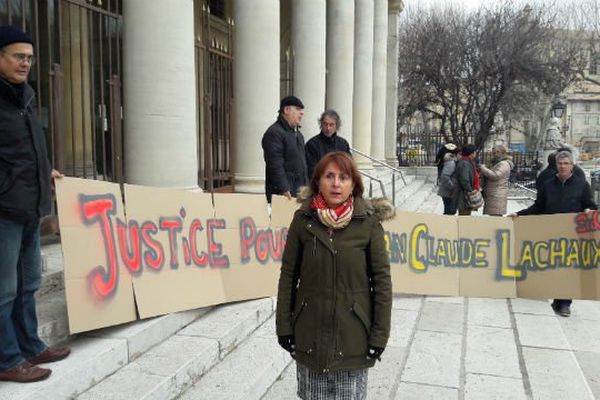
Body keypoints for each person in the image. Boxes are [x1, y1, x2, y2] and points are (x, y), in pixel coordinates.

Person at [276, 151, 393, 399]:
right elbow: (288, 275)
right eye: (329, 176)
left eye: (343, 177)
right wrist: (284, 326)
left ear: (354, 184)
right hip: (310, 335)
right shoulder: (303, 219)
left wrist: (379, 335)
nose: (336, 183)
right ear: (318, 181)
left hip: (353, 338)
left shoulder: (368, 223)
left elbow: (382, 282)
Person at [0, 25, 70, 383]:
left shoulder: (24, 96)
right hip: (5, 212)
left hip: (29, 208)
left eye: (29, 57)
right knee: (4, 289)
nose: (25, 63)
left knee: (28, 283)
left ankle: (30, 346)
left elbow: (24, 151)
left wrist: (46, 171)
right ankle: (7, 359)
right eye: (18, 56)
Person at [511, 150, 597, 317]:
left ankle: (564, 303)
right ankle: (554, 297)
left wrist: (589, 210)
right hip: (550, 231)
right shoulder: (548, 184)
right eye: (560, 164)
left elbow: (590, 205)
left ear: (572, 166)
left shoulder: (581, 185)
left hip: (571, 233)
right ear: (556, 165)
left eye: (566, 164)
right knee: (552, 265)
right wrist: (519, 214)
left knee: (568, 268)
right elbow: (538, 207)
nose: (563, 166)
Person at [261, 95, 308, 202]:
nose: (302, 113)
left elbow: (302, 164)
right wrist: (284, 188)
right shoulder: (274, 133)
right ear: (286, 110)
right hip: (283, 194)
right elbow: (275, 164)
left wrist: (306, 186)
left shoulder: (298, 135)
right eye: (297, 109)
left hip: (299, 192)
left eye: (302, 110)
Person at [305, 109, 350, 179]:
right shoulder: (312, 144)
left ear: (336, 126)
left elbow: (349, 165)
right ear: (321, 124)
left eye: (331, 125)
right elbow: (311, 169)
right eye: (325, 124)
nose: (328, 128)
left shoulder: (343, 144)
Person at [479, 145, 513, 216]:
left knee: (496, 216)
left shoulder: (504, 164)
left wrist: (483, 168)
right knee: (493, 216)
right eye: (494, 152)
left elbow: (496, 175)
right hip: (494, 193)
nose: (495, 154)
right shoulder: (496, 163)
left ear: (503, 153)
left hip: (497, 193)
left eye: (497, 152)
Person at [456, 144, 480, 216]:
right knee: (464, 215)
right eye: (475, 152)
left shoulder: (468, 161)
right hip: (464, 195)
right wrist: (471, 191)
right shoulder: (465, 163)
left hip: (466, 193)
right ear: (471, 153)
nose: (475, 154)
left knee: (466, 214)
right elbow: (464, 180)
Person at [436, 144, 460, 215]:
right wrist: (452, 186)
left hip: (448, 191)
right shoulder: (451, 163)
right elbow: (445, 176)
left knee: (449, 211)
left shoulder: (451, 161)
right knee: (449, 212)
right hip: (448, 191)